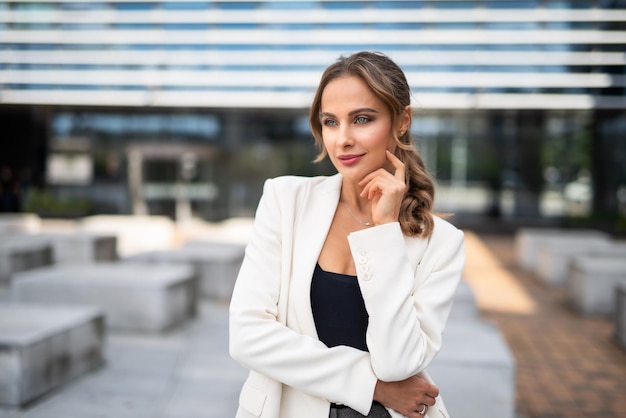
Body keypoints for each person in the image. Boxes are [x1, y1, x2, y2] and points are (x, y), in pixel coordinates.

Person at [229, 51, 465, 418]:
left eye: (362, 119)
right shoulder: (284, 200)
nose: (343, 139)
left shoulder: (442, 244)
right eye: (330, 122)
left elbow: (398, 362)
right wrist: (372, 387)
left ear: (402, 120)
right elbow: (247, 338)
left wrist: (386, 232)